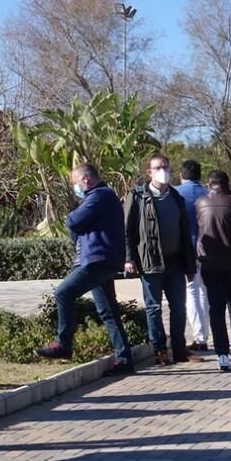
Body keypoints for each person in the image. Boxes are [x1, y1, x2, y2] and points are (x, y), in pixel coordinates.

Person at [36, 163, 133, 374]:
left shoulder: (99, 196)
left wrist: (75, 221)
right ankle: (124, 359)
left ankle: (63, 344)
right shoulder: (104, 197)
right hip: (103, 260)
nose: (75, 187)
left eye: (75, 183)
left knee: (63, 293)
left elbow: (73, 221)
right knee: (108, 312)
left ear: (85, 180)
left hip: (96, 261)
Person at [126, 153, 197, 366]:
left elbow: (185, 233)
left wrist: (190, 264)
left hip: (175, 262)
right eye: (158, 167)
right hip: (151, 263)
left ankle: (179, 350)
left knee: (179, 307)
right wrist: (129, 258)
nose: (163, 171)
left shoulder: (176, 197)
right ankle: (159, 351)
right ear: (149, 172)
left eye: (165, 166)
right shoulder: (137, 197)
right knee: (153, 308)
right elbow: (127, 231)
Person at [195, 169, 231, 372]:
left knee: (216, 309)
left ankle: (221, 354)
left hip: (210, 263)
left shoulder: (200, 203)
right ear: (227, 184)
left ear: (210, 184)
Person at [176, 160, 211, 353]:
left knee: (192, 292)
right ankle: (210, 333)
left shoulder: (176, 193)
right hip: (210, 250)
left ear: (181, 175)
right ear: (199, 176)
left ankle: (200, 337)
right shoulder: (209, 194)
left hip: (187, 250)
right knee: (207, 293)